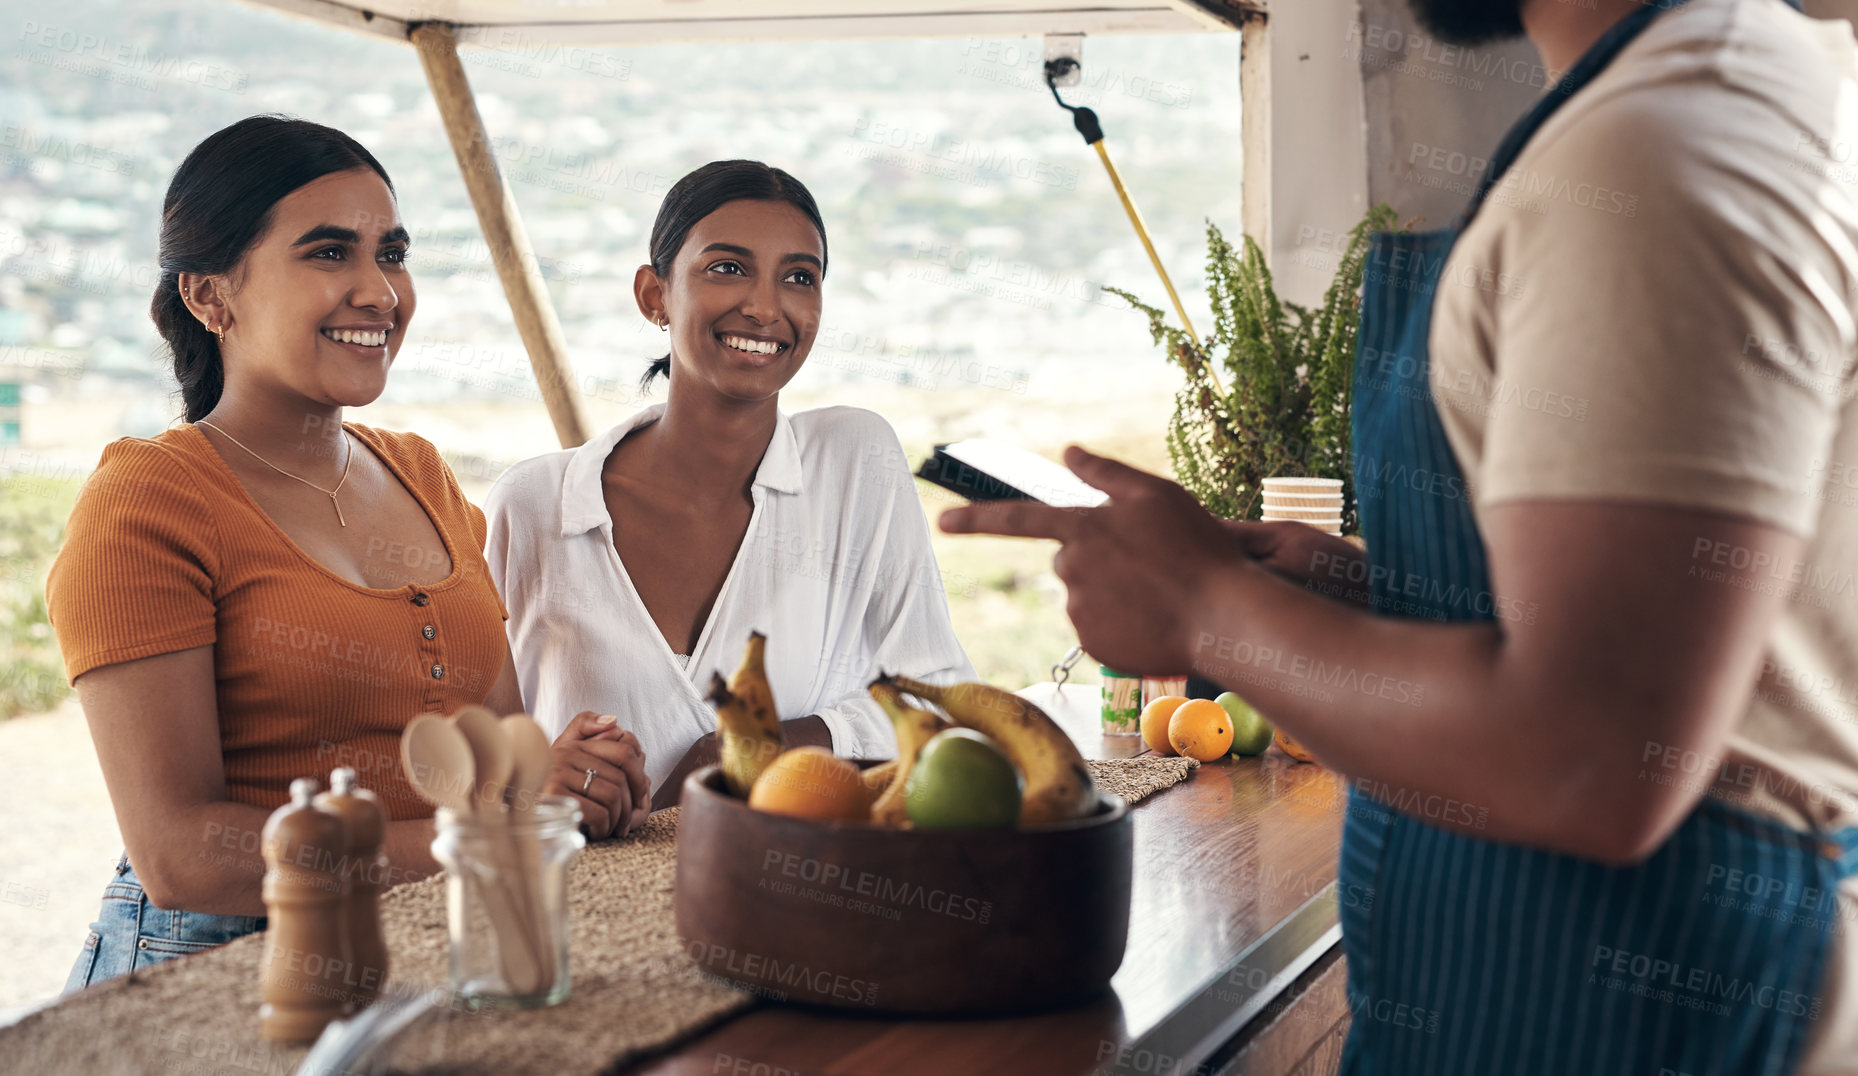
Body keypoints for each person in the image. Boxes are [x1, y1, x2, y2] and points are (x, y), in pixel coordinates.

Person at [942, 0, 1858, 1072]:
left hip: (1627, 1000)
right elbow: (1691, 633)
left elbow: (1589, 756)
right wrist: (1371, 598)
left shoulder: (1662, 143)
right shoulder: (1744, 87)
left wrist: (1210, 611)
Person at [46, 116, 648, 992]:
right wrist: (495, 824)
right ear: (210, 296)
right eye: (329, 254)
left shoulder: (422, 474)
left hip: (427, 948)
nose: (380, 291)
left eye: (391, 253)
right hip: (210, 971)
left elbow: (497, 756)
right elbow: (184, 853)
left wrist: (573, 773)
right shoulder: (148, 501)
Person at [485, 160, 974, 804]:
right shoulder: (535, 505)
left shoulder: (854, 460)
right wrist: (541, 783)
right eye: (727, 268)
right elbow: (485, 762)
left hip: (792, 890)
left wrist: (759, 747)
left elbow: (940, 697)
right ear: (653, 295)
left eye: (799, 277)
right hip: (584, 895)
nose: (766, 307)